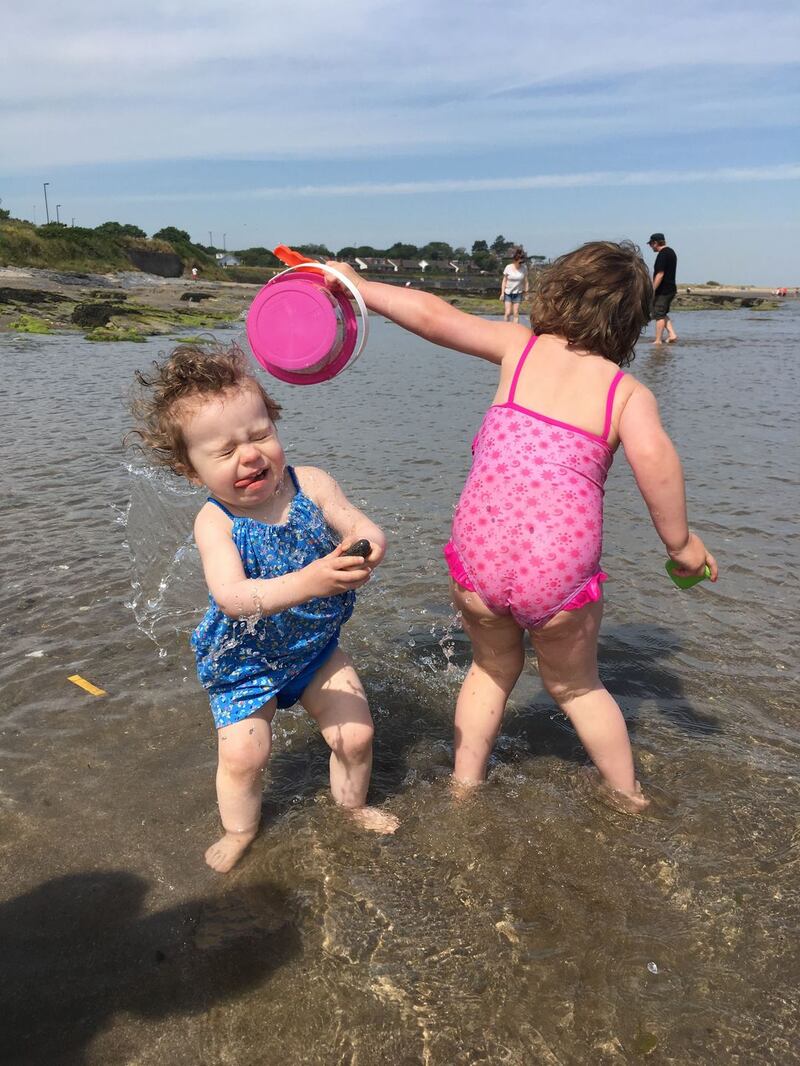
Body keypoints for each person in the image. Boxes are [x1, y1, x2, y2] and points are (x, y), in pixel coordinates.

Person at [326, 242, 718, 811]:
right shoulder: (625, 392)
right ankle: (627, 796)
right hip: (558, 570)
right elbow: (656, 461)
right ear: (631, 323)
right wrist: (680, 544)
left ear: (555, 291)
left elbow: (434, 317)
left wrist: (358, 287)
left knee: (489, 669)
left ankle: (465, 785)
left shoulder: (519, 347)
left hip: (480, 553)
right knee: (578, 687)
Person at [129, 342, 397, 872]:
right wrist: (311, 581)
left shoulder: (311, 483)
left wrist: (368, 545)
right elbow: (232, 598)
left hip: (315, 649)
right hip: (245, 662)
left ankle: (351, 809)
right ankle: (240, 831)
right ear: (191, 471)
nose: (250, 455)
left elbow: (358, 524)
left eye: (259, 435)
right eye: (225, 451)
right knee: (244, 757)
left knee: (356, 735)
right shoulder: (215, 522)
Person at [647, 233, 678, 344]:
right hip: (670, 288)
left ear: (655, 243)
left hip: (664, 290)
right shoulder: (671, 252)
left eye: (651, 244)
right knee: (661, 313)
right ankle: (672, 334)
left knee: (658, 315)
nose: (650, 246)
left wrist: (653, 289)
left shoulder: (663, 254)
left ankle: (658, 340)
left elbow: (660, 274)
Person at [500, 247, 529, 323]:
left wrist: (526, 293)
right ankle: (505, 327)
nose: (521, 263)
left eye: (522, 262)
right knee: (508, 312)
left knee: (516, 313)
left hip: (518, 293)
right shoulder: (508, 267)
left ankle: (515, 328)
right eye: (519, 262)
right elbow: (504, 281)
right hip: (508, 293)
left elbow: (526, 282)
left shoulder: (524, 268)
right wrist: (502, 293)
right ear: (515, 260)